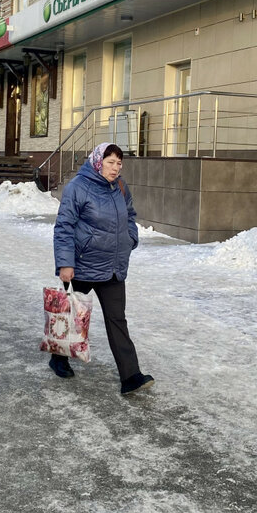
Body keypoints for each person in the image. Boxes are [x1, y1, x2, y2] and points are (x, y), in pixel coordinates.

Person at [52, 142, 154, 395]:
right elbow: (64, 226)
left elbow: (130, 215)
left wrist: (131, 238)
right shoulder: (77, 187)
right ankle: (59, 358)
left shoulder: (120, 186)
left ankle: (131, 377)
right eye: (110, 162)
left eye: (119, 163)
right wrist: (65, 263)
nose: (115, 168)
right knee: (74, 317)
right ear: (98, 161)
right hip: (83, 266)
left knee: (117, 320)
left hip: (112, 269)